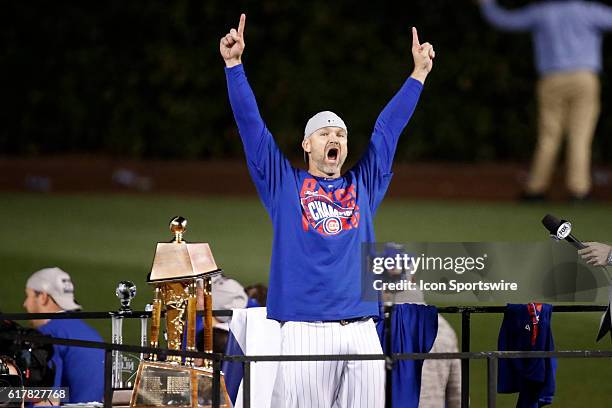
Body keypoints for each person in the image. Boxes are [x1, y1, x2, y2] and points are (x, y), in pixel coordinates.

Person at [220, 13, 434, 407]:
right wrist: (234, 67)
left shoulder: (363, 185)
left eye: (340, 134)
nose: (334, 138)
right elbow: (252, 128)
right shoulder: (284, 185)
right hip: (304, 328)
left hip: (361, 328)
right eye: (325, 133)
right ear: (307, 145)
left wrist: (417, 75)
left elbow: (388, 130)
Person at [479, 0, 612, 201]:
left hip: (552, 79)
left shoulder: (543, 13)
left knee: (549, 136)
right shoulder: (590, 12)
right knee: (580, 137)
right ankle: (579, 191)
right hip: (584, 77)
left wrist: (487, 4)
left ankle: (536, 189)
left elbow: (505, 20)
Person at [23, 267, 104, 403]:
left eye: (28, 296)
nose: (25, 304)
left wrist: (7, 394)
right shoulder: (91, 333)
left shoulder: (48, 334)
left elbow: (49, 398)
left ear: (43, 297)